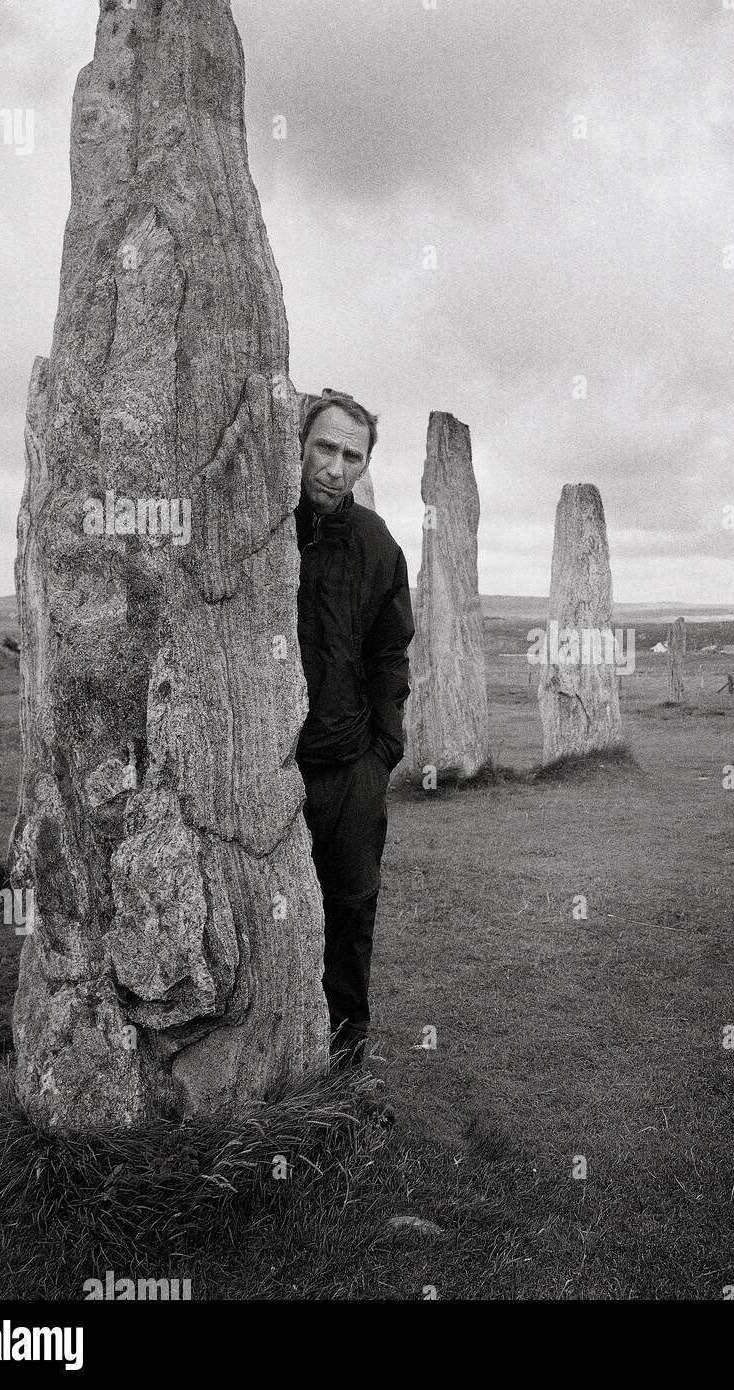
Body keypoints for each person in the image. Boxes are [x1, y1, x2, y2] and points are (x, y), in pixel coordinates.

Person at [294, 388, 414, 1070]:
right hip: (270, 771)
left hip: (349, 773)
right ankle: (266, 1076)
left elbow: (389, 651)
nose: (335, 468)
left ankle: (340, 1083)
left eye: (351, 456)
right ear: (300, 446)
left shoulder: (376, 544)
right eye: (324, 448)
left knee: (348, 922)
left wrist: (383, 752)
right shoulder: (263, 533)